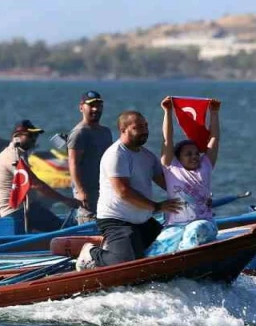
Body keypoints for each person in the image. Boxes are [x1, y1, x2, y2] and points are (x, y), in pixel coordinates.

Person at [95, 111, 183, 266]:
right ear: (123, 129)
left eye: (146, 126)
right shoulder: (116, 155)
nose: (144, 131)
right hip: (116, 220)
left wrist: (197, 197)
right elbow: (123, 191)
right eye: (138, 127)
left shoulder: (147, 156)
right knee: (128, 262)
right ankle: (91, 254)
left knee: (174, 246)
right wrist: (157, 206)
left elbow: (168, 183)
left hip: (142, 220)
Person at [0, 119, 78, 232]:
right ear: (16, 136)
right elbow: (36, 184)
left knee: (58, 223)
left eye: (36, 136)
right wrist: (65, 200)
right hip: (18, 212)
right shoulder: (13, 157)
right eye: (30, 136)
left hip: (24, 209)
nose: (34, 139)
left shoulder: (18, 153)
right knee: (66, 229)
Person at [160, 96, 222, 224]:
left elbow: (214, 138)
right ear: (178, 157)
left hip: (203, 223)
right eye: (188, 154)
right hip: (175, 225)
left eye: (196, 153)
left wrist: (214, 113)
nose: (194, 156)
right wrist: (168, 111)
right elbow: (168, 139)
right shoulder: (172, 166)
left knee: (194, 233)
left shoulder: (205, 165)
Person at [67, 90, 113, 224]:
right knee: (90, 228)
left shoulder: (106, 132)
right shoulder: (79, 133)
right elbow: (73, 164)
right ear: (81, 107)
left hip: (104, 191)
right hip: (87, 194)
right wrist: (81, 191)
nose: (95, 109)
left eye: (99, 105)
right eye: (91, 105)